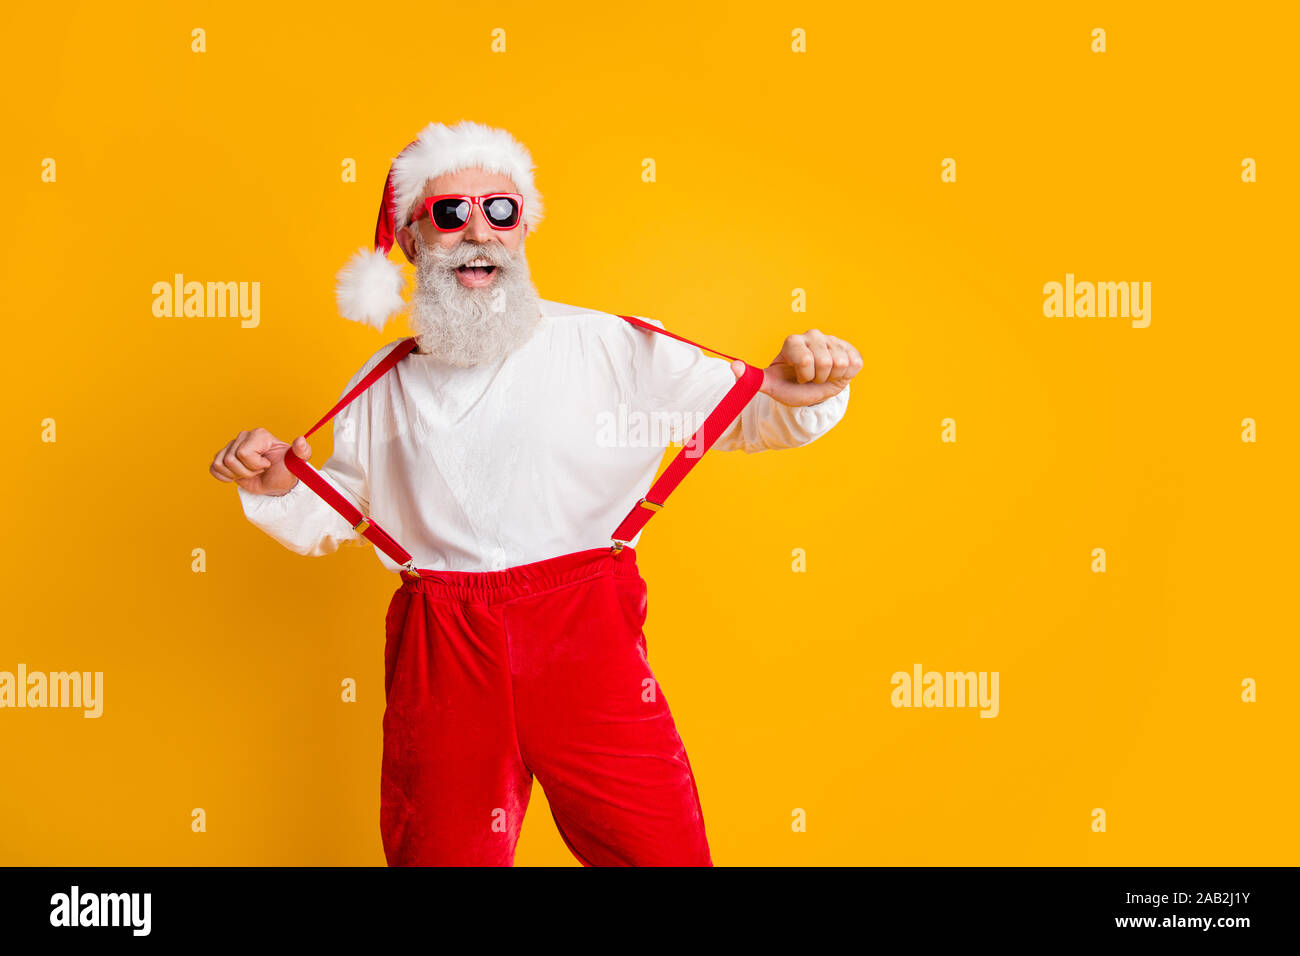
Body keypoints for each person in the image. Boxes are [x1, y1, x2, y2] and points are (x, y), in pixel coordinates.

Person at [209, 120, 860, 866]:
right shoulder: (377, 387)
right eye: (449, 214)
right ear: (414, 241)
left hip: (590, 643)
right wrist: (275, 484)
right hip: (443, 655)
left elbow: (755, 416)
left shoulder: (611, 347)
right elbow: (335, 511)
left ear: (524, 230)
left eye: (500, 210)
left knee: (662, 854)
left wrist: (809, 385)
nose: (476, 231)